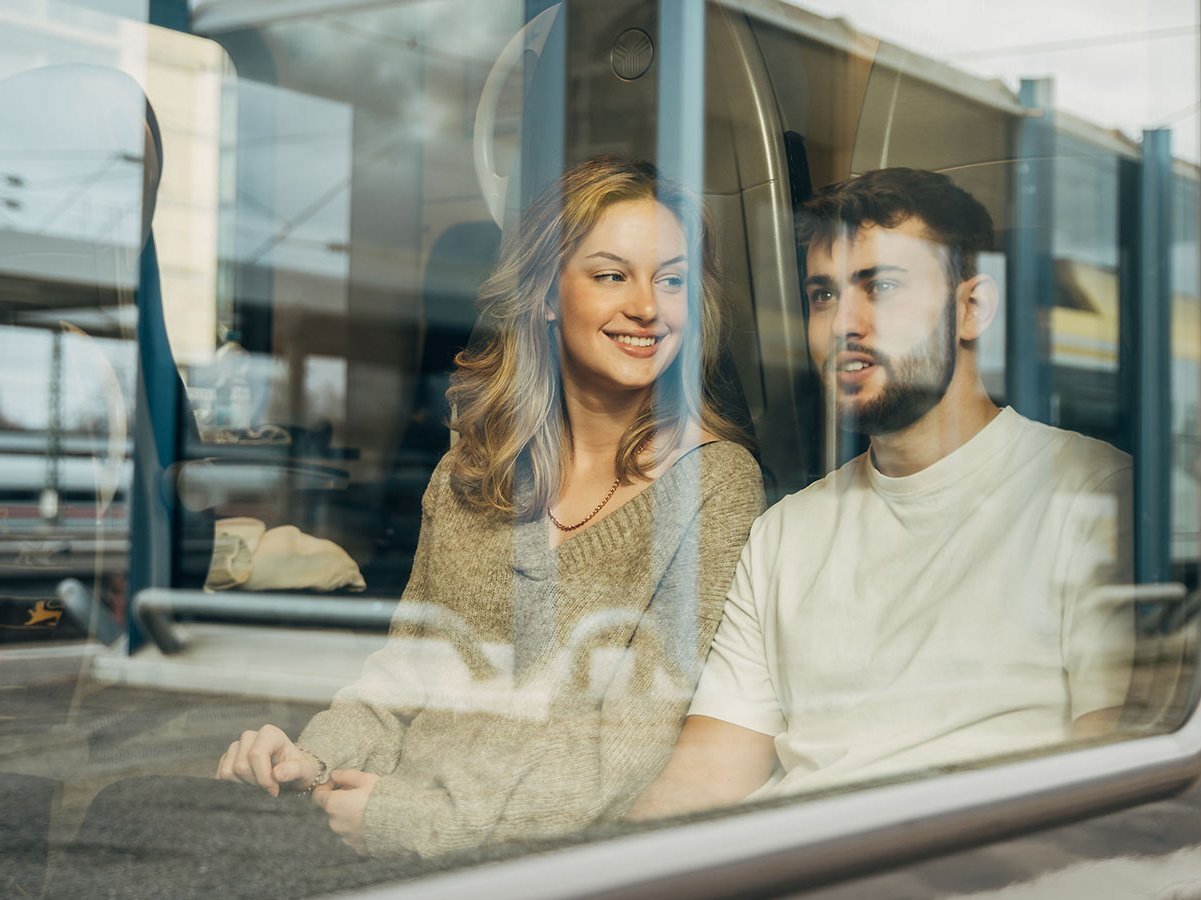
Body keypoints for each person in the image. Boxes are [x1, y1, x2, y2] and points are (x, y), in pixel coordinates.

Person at [51, 156, 763, 897]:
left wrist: (408, 822)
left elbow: (623, 755)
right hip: (385, 819)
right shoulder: (472, 469)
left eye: (672, 279)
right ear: (548, 295)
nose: (648, 306)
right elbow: (401, 678)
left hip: (509, 859)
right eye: (612, 275)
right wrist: (308, 760)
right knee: (128, 820)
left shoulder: (713, 484)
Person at [629, 167, 1133, 819]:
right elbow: (704, 781)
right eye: (822, 296)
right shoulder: (785, 533)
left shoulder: (1090, 492)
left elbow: (1115, 775)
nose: (842, 324)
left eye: (881, 288)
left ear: (971, 308)